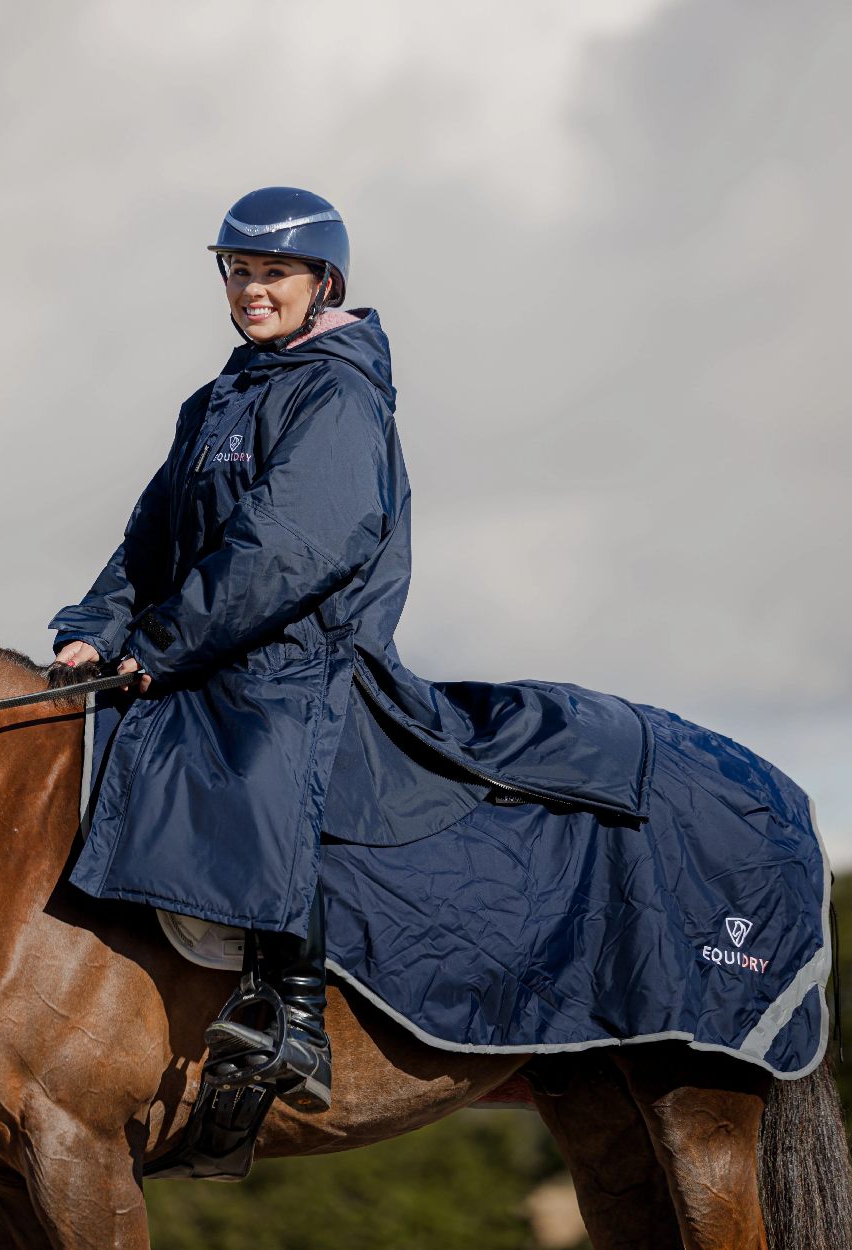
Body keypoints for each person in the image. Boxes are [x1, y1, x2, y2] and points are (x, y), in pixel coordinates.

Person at [48, 186, 653, 1115]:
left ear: (322, 282)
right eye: (239, 271)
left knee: (254, 762)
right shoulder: (215, 400)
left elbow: (293, 544)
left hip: (305, 664)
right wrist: (96, 628)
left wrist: (165, 642)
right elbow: (150, 536)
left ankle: (295, 1020)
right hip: (214, 649)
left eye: (273, 274)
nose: (252, 290)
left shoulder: (340, 393)